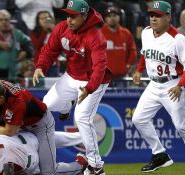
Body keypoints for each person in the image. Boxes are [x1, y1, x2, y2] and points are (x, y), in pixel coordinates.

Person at [33, 0, 111, 174]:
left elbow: (100, 67)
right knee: (45, 106)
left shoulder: (96, 36)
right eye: (68, 15)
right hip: (71, 76)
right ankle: (66, 104)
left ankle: (96, 165)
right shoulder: (62, 28)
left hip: (93, 80)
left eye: (74, 16)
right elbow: (49, 50)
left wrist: (89, 88)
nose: (69, 19)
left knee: (82, 117)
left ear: (84, 16)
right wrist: (40, 66)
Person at [131, 1, 185, 174]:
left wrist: (181, 86)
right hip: (153, 84)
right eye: (152, 15)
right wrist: (138, 70)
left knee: (182, 126)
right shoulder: (146, 32)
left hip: (174, 84)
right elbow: (145, 53)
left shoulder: (178, 38)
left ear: (168, 17)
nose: (153, 18)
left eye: (158, 15)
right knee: (138, 119)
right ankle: (159, 155)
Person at [0, 9, 33, 81]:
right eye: (0, 20)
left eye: (6, 20)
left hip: (13, 73)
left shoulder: (17, 33)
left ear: (10, 21)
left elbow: (29, 44)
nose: (4, 22)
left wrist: (25, 52)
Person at [101, 5, 137, 87]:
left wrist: (128, 65)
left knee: (124, 99)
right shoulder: (99, 34)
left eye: (115, 16)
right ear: (105, 19)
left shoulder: (126, 33)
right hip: (103, 78)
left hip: (122, 77)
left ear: (119, 17)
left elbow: (132, 51)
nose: (112, 18)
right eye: (109, 16)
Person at [30, 11, 59, 77]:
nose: (45, 20)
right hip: (40, 64)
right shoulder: (34, 32)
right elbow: (37, 45)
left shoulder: (56, 30)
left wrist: (54, 30)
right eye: (42, 18)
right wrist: (44, 31)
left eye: (46, 17)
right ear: (38, 21)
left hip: (53, 64)